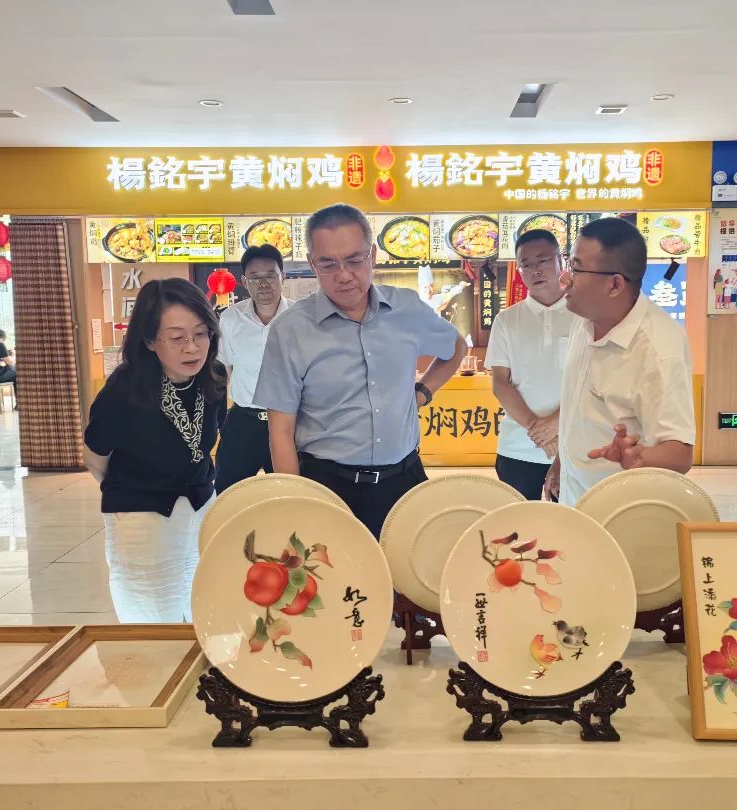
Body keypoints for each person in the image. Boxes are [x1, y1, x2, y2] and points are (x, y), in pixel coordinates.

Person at [255, 203, 465, 538]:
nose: (344, 275)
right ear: (312, 264)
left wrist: (423, 393)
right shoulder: (291, 330)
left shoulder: (407, 308)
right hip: (328, 485)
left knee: (409, 569)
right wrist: (297, 504)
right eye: (328, 264)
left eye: (355, 260)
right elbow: (280, 432)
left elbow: (455, 348)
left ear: (373, 256)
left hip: (404, 480)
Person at [83, 278, 227, 622]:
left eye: (201, 333)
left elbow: (208, 438)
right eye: (177, 338)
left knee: (200, 602)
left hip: (199, 505)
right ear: (149, 341)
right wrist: (133, 490)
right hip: (141, 515)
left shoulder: (213, 377)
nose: (192, 348)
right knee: (152, 613)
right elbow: (95, 457)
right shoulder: (124, 390)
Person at [545, 218, 695, 506]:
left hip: (621, 509)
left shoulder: (658, 349)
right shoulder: (585, 319)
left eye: (576, 269)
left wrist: (639, 456)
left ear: (614, 284)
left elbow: (680, 454)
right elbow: (578, 408)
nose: (564, 279)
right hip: (574, 497)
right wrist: (561, 462)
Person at [484, 228, 576, 500]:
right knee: (519, 522)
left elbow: (594, 380)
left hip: (574, 446)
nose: (535, 270)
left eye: (543, 260)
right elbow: (501, 384)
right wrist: (539, 431)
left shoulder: (584, 315)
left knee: (571, 521)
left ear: (561, 261)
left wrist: (557, 424)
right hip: (517, 448)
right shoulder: (506, 320)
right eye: (526, 264)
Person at [215, 244, 292, 492]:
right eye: (255, 277)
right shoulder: (230, 318)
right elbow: (222, 369)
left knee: (291, 494)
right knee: (228, 493)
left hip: (290, 422)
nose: (264, 284)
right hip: (243, 422)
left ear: (283, 277)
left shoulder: (300, 318)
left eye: (271, 275)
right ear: (244, 282)